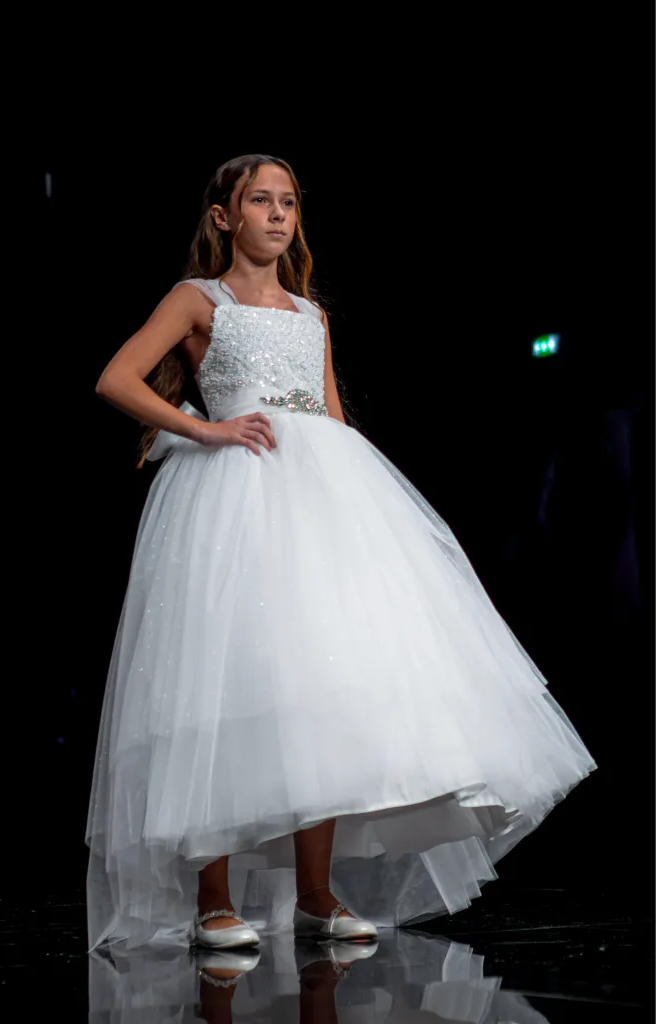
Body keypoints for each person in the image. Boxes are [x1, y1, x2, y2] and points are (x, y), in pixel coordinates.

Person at [86, 153, 597, 952]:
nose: (277, 214)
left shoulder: (308, 313)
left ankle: (315, 895)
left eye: (288, 202)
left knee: (317, 688)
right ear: (224, 216)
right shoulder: (199, 299)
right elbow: (116, 378)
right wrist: (205, 428)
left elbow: (328, 414)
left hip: (317, 499)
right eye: (260, 200)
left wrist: (365, 511)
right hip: (232, 499)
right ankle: (213, 900)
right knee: (219, 685)